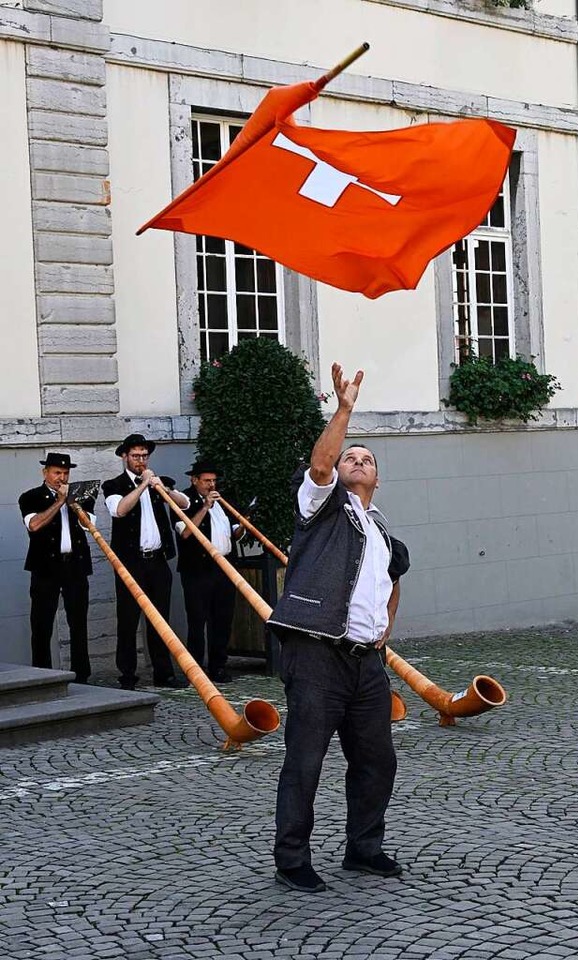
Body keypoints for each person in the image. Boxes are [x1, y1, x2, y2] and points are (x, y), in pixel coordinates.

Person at [267, 364, 410, 894]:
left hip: (365, 661)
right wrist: (344, 411)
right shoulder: (324, 506)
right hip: (316, 653)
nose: (357, 460)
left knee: (377, 759)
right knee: (305, 760)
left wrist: (384, 629)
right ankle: (291, 859)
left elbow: (394, 581)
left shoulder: (380, 527)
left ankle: (364, 849)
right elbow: (322, 461)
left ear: (377, 478)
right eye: (352, 455)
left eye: (367, 459)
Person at [102, 434, 190, 690]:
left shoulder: (157, 484)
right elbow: (119, 510)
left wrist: (164, 488)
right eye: (135, 456)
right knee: (128, 620)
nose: (140, 461)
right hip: (131, 563)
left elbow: (184, 504)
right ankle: (127, 676)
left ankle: (163, 673)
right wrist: (141, 485)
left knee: (160, 619)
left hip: (158, 561)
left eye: (144, 456)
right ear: (124, 457)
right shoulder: (114, 485)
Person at [18, 452, 94, 683]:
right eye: (57, 472)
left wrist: (72, 501)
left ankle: (82, 675)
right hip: (45, 568)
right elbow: (34, 524)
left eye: (65, 473)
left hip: (75, 566)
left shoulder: (80, 494)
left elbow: (89, 525)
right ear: (46, 473)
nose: (62, 477)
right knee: (42, 624)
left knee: (78, 623)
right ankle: (43, 676)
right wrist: (59, 501)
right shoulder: (31, 497)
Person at [173, 460, 244, 683]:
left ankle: (218, 666)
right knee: (197, 619)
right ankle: (196, 670)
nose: (211, 485)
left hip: (224, 568)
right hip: (198, 570)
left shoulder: (223, 500)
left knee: (222, 619)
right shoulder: (184, 500)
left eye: (214, 480)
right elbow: (185, 533)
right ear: (195, 480)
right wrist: (205, 506)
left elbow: (234, 533)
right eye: (207, 481)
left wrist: (244, 522)